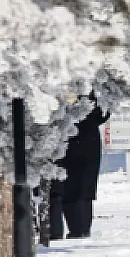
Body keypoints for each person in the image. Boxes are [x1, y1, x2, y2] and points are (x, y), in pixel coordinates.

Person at [50, 99, 109, 240]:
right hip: (70, 137)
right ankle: (70, 231)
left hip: (71, 137)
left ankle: (66, 232)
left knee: (65, 189)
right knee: (62, 189)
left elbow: (102, 113)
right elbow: (102, 113)